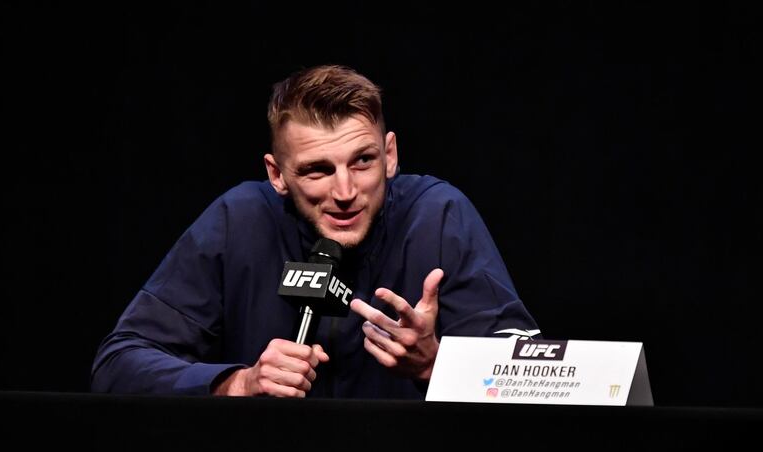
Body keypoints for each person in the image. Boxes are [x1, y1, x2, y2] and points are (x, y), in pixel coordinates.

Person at [91, 64, 539, 398]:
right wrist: (237, 382)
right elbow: (117, 364)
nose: (344, 191)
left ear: (391, 155)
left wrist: (436, 363)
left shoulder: (439, 216)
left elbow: (533, 379)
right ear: (277, 174)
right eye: (316, 171)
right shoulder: (239, 220)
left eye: (363, 161)